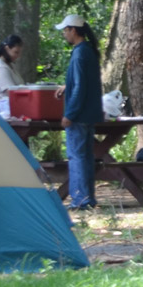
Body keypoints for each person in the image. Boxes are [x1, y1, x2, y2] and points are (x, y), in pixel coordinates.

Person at [58, 13, 104, 210]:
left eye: (65, 30)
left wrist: (70, 114)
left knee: (76, 157)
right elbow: (82, 82)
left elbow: (80, 87)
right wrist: (66, 86)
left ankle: (79, 199)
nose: (64, 35)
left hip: (79, 115)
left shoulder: (79, 54)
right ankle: (87, 198)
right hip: (90, 114)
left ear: (73, 30)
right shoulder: (88, 51)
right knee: (85, 157)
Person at [0, 34, 26, 117]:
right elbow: (10, 91)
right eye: (16, 52)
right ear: (7, 48)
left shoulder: (10, 65)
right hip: (3, 110)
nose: (18, 56)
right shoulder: (0, 67)